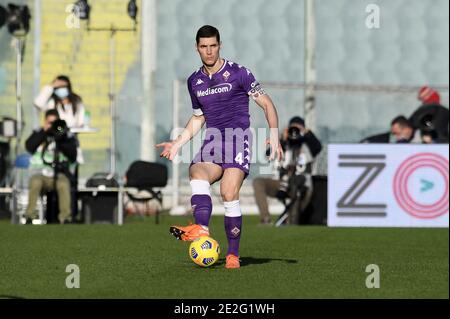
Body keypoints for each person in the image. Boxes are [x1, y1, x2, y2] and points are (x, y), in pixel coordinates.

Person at [156, 25, 283, 269]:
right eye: (204, 47)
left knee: (228, 193)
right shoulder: (194, 81)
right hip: (212, 140)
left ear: (219, 45)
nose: (209, 51)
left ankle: (233, 254)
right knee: (196, 172)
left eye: (213, 46)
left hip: (238, 140)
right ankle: (201, 229)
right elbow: (198, 118)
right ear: (197, 48)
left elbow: (267, 104)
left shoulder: (239, 73)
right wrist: (178, 143)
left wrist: (274, 134)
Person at [253, 116, 322, 225]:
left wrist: (306, 133)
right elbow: (268, 155)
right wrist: (282, 140)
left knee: (296, 184)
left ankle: (291, 221)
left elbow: (318, 147)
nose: (294, 132)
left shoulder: (308, 145)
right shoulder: (284, 144)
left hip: (302, 184)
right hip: (281, 183)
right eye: (292, 128)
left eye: (297, 129)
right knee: (258, 182)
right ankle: (265, 220)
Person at [23, 109, 77, 224]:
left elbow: (73, 155)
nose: (52, 125)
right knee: (35, 182)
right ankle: (29, 216)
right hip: (39, 173)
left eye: (54, 123)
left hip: (58, 173)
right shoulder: (39, 132)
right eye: (50, 122)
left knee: (63, 184)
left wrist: (60, 137)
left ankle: (65, 218)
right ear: (45, 121)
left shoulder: (65, 135)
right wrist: (44, 132)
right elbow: (29, 146)